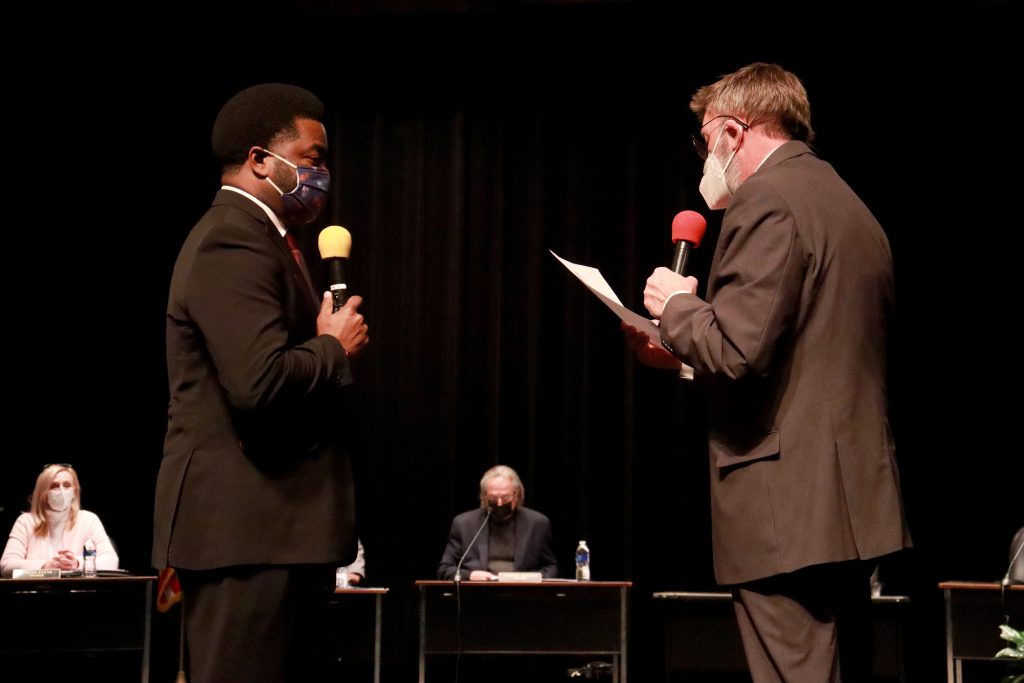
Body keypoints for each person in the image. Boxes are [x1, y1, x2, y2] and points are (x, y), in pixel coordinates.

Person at [624, 63, 912, 683]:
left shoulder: (766, 200)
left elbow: (740, 353)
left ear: (733, 132)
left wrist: (676, 304)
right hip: (845, 504)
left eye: (705, 141)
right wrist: (682, 359)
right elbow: (803, 356)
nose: (704, 158)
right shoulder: (850, 206)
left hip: (786, 508)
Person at [151, 83, 370, 683]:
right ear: (259, 160)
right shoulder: (233, 236)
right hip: (244, 534)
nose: (322, 174)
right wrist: (332, 347)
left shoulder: (268, 237)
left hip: (274, 532)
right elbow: (257, 380)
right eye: (312, 158)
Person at [438, 464, 558, 580]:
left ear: (516, 495)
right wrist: (469, 575)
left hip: (522, 593)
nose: (500, 503)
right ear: (484, 496)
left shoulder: (537, 523)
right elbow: (444, 569)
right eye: (493, 498)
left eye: (505, 498)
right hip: (478, 593)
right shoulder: (464, 524)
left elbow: (551, 568)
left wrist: (530, 579)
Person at [1, 464, 118, 577]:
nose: (62, 490)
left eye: (67, 485)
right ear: (43, 493)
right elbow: (6, 565)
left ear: (74, 491)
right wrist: (45, 566)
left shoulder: (89, 519)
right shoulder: (25, 521)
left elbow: (111, 561)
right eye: (54, 486)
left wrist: (77, 563)